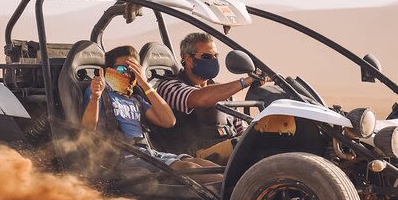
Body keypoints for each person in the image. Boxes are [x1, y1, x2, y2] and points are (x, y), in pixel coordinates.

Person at [81, 45, 220, 179]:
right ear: (108, 70)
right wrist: (95, 97)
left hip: (148, 152)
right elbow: (88, 127)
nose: (128, 74)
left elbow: (168, 120)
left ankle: (234, 191)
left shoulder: (136, 99)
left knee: (202, 164)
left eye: (133, 70)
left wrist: (144, 84)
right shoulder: (99, 93)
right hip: (122, 156)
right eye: (122, 69)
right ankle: (232, 197)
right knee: (188, 168)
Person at [155, 32, 264, 160]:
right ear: (189, 60)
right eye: (207, 56)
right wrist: (245, 81)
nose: (213, 60)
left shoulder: (224, 92)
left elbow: (241, 130)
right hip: (195, 161)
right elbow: (201, 99)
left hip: (229, 155)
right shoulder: (170, 86)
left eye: (215, 56)